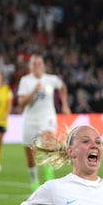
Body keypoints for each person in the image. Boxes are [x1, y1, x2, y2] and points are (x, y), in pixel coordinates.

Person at [17, 54, 72, 191]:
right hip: (30, 119)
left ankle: (49, 177)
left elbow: (63, 87)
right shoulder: (25, 81)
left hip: (47, 117)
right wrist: (34, 92)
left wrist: (65, 104)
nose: (37, 67)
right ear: (30, 66)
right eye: (34, 64)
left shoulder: (51, 79)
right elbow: (21, 103)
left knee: (48, 141)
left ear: (43, 65)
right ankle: (34, 181)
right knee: (30, 155)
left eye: (39, 64)